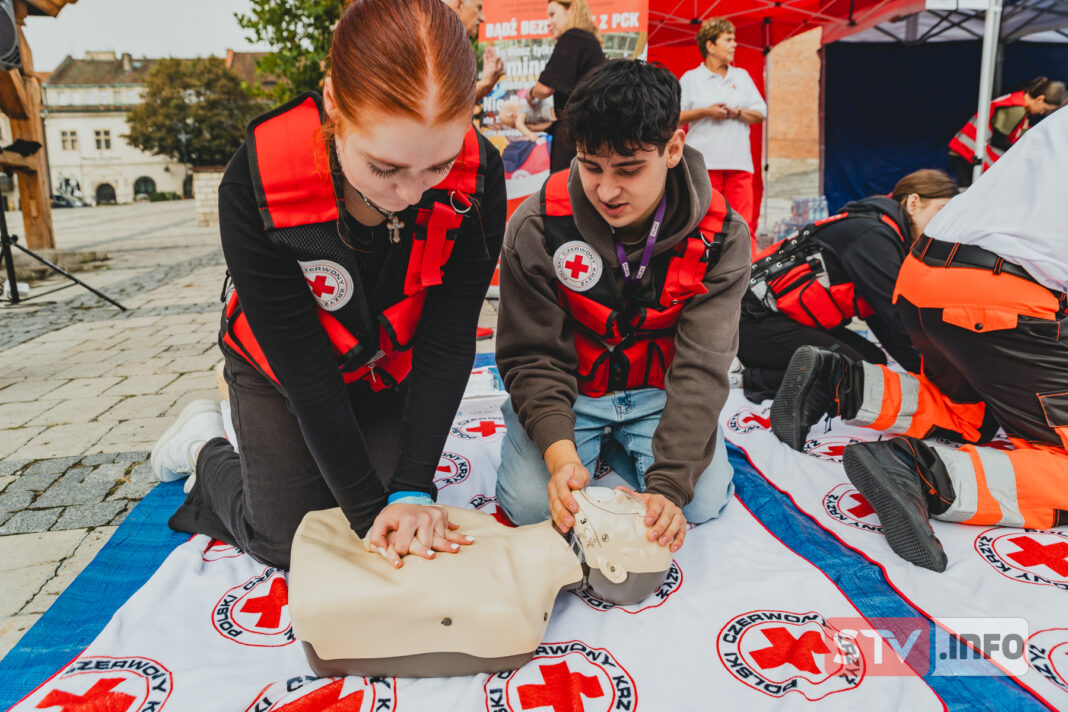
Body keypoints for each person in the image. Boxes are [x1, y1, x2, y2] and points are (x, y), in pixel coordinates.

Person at [150, 0, 506, 571]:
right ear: (336, 102)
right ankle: (203, 443)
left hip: (388, 362)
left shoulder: (480, 176)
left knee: (396, 492)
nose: (411, 195)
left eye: (437, 166)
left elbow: (446, 338)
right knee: (289, 540)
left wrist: (412, 489)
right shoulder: (256, 183)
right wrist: (370, 520)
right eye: (385, 169)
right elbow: (305, 372)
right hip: (283, 367)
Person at [768, 107, 1068, 572]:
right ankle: (922, 472)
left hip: (925, 271)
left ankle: (842, 384)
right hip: (1002, 295)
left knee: (967, 413)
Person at [495, 60, 750, 554]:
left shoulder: (723, 236)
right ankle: (590, 444)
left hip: (660, 392)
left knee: (699, 503)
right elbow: (529, 355)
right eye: (591, 166)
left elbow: (703, 366)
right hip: (572, 394)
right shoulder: (537, 225)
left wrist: (670, 485)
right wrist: (560, 453)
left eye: (629, 169)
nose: (607, 191)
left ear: (674, 147)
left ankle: (655, 447)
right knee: (529, 505)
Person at [289, 487, 673, 677]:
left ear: (615, 569)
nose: (625, 494)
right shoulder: (487, 531)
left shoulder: (517, 616)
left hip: (322, 584)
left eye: (631, 511)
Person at [738, 169, 958, 402]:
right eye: (941, 212)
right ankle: (753, 379)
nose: (944, 225)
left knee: (874, 365)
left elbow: (883, 320)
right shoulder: (872, 235)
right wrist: (948, 383)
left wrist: (927, 375)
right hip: (752, 322)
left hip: (782, 319)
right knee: (853, 373)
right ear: (914, 202)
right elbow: (897, 317)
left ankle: (777, 374)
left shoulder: (885, 233)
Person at [679, 17, 767, 255]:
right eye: (728, 40)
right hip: (704, 164)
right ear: (710, 45)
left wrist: (736, 112)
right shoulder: (690, 78)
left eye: (734, 40)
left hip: (739, 164)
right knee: (704, 221)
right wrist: (705, 112)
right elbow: (674, 117)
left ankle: (748, 273)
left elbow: (761, 113)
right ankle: (704, 269)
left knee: (742, 224)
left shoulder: (742, 77)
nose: (734, 45)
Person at [528, 0, 606, 172]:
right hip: (590, 138)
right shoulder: (589, 42)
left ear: (571, 8)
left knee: (563, 191)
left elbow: (545, 88)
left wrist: (530, 94)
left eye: (553, 14)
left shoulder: (573, 37)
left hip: (573, 141)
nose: (548, 22)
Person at [947, 76, 1064, 187]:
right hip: (965, 154)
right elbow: (998, 140)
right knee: (966, 192)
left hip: (966, 153)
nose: (1042, 113)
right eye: (1045, 109)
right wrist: (1021, 150)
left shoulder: (1019, 101)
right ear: (1040, 99)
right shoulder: (1017, 109)